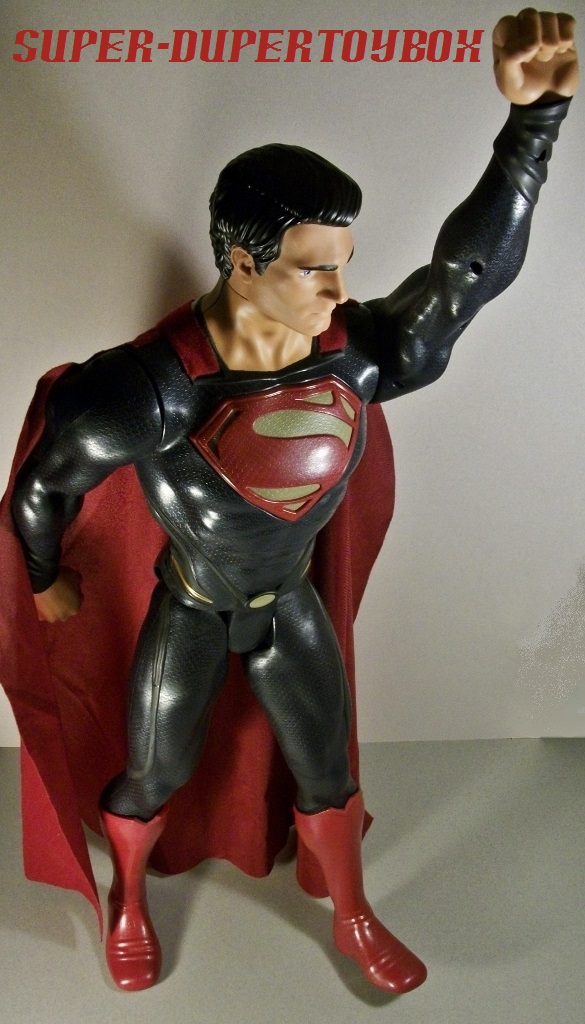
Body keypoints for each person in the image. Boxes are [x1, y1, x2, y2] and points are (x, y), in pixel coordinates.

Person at [7, 9, 578, 996]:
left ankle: (351, 911)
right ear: (241, 263)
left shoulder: (355, 356)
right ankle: (128, 899)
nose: (337, 289)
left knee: (328, 771)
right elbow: (41, 484)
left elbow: (463, 279)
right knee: (153, 770)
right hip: (190, 606)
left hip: (287, 604)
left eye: (343, 261)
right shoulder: (152, 391)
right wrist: (45, 574)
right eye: (313, 268)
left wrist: (536, 122)